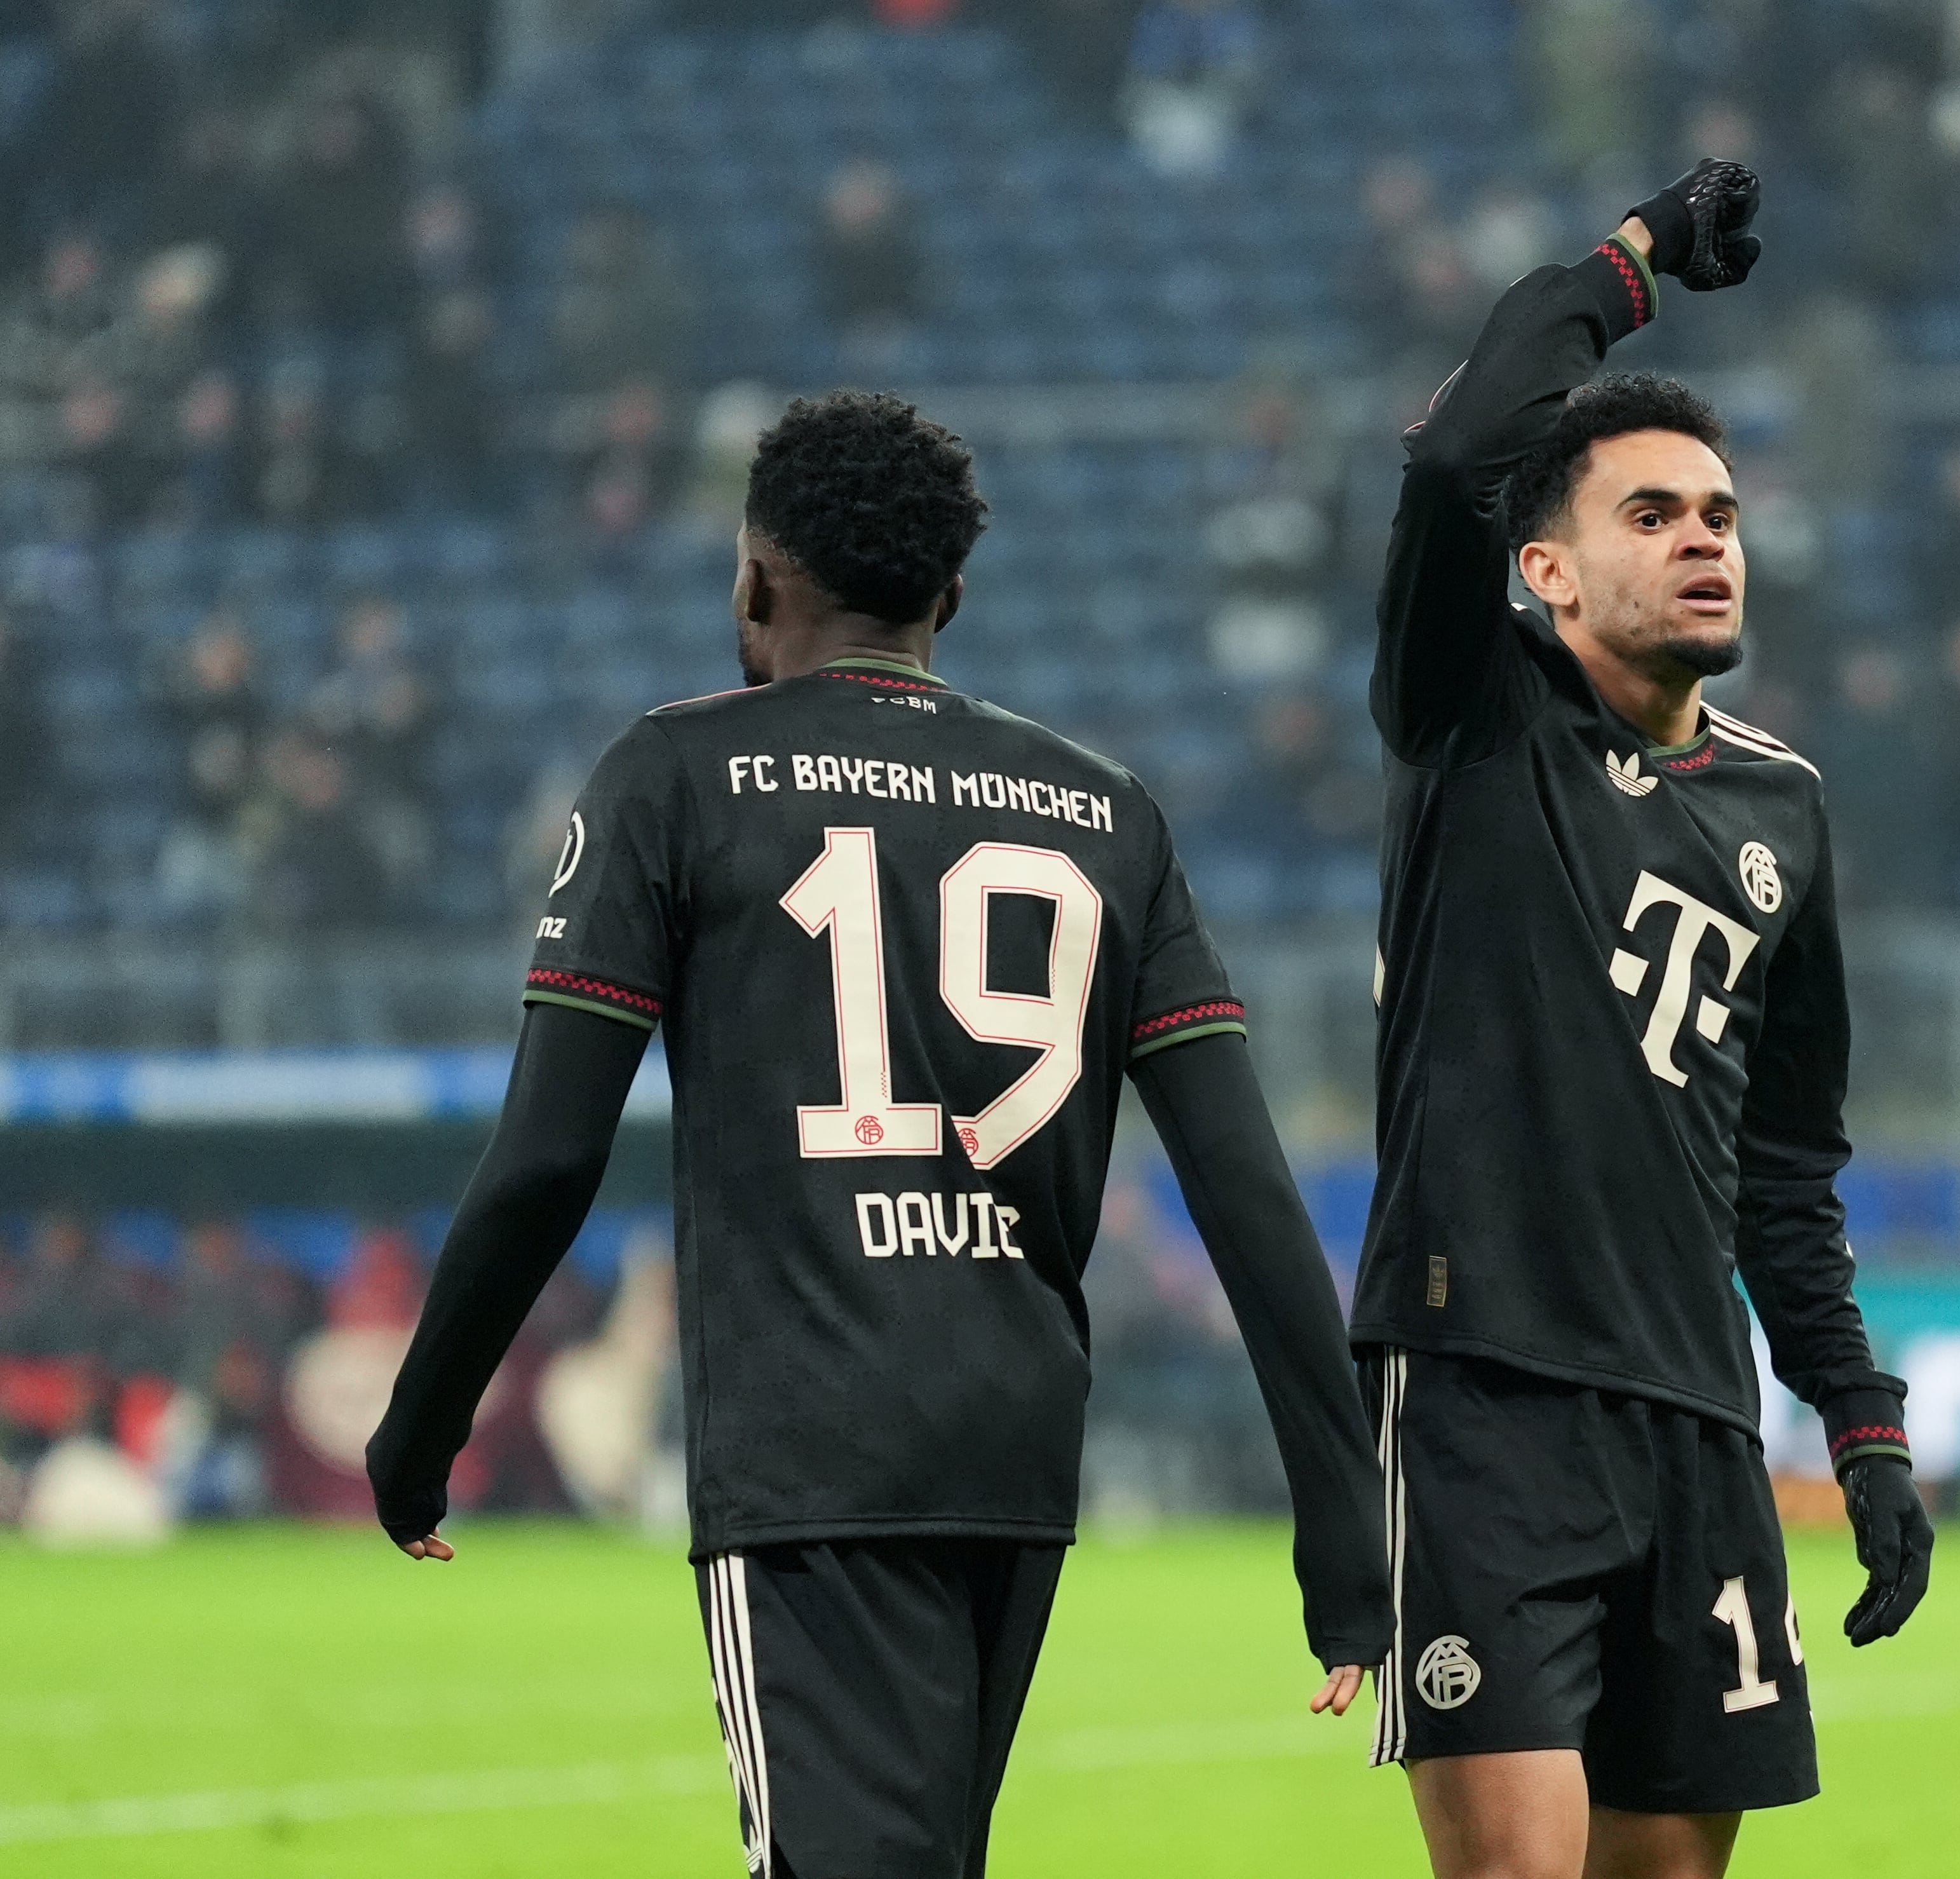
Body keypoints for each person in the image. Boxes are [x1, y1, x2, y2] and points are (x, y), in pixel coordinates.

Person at [365, 391, 1388, 1878]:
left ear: (756, 576)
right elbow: (1248, 1197)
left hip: (813, 1450)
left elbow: (545, 1158)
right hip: (1017, 1457)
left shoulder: (675, 772)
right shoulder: (1107, 814)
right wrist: (1344, 1532)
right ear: (949, 596)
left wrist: (423, 1424)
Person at [1355, 161, 1931, 1879]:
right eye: (1654, 512)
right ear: (1540, 569)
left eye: (1723, 515)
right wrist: (1627, 263)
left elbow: (1781, 1165)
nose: (1703, 539)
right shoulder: (1468, 715)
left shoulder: (1784, 811)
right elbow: (1456, 454)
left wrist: (1861, 1422)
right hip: (1483, 1391)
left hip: (1693, 1409)